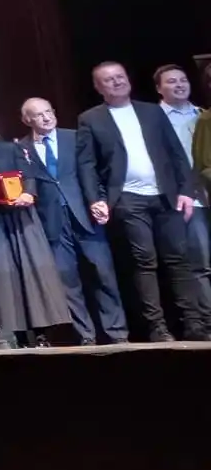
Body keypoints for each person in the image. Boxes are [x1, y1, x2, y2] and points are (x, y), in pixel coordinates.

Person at [77, 62, 207, 341]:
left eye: (120, 76)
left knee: (179, 259)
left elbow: (176, 153)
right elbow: (87, 165)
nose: (116, 82)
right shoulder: (91, 119)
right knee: (144, 262)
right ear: (98, 88)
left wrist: (186, 190)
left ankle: (193, 324)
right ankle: (157, 328)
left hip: (166, 196)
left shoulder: (151, 111)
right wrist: (95, 200)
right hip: (127, 198)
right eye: (109, 80)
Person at [19, 97, 127, 345]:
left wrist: (100, 200)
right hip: (52, 221)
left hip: (85, 215)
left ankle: (117, 333)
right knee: (67, 281)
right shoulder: (21, 148)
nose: (46, 117)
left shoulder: (74, 137)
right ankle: (85, 336)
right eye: (39, 114)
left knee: (103, 274)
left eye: (49, 111)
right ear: (27, 120)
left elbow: (94, 172)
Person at [0, 106, 70, 346]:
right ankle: (19, 337)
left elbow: (29, 175)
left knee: (30, 270)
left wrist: (29, 194)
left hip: (19, 216)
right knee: (4, 275)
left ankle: (41, 335)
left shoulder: (12, 148)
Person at [155, 64, 211, 331]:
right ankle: (206, 321)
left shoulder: (202, 114)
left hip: (208, 193)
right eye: (171, 81)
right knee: (199, 263)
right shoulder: (155, 119)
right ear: (159, 88)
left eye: (183, 80)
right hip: (188, 200)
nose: (179, 85)